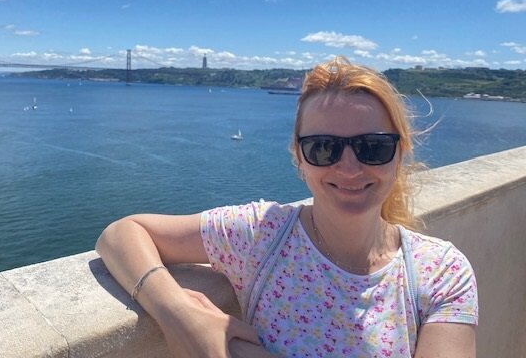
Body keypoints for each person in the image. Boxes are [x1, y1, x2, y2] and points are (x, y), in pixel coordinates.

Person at [97, 56, 478, 357]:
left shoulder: (441, 273)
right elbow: (122, 233)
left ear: (400, 153)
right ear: (298, 157)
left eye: (373, 147)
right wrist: (176, 312)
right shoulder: (263, 234)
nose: (348, 167)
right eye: (323, 147)